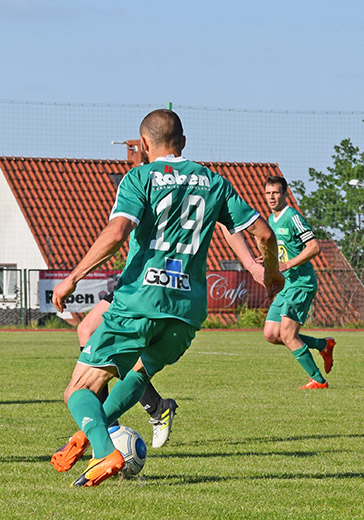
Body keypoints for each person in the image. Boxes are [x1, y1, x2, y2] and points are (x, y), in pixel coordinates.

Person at [51, 109, 284, 486]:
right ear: (184, 143)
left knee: (77, 391)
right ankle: (90, 436)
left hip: (141, 299)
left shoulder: (139, 178)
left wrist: (72, 278)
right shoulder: (214, 181)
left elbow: (116, 234)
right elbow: (265, 235)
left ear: (143, 144)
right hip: (187, 310)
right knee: (139, 372)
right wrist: (270, 272)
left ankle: (101, 449)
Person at [53, 224, 268, 466]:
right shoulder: (207, 187)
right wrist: (250, 262)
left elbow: (116, 232)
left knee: (88, 379)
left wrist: (73, 277)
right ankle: (122, 421)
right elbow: (244, 225)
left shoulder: (145, 185)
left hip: (149, 281)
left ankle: (105, 432)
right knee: (89, 331)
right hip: (164, 285)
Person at [262, 176, 335, 389]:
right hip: (287, 285)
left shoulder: (293, 217)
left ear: (285, 194)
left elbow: (314, 247)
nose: (272, 197)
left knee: (287, 334)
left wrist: (287, 265)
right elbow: (280, 249)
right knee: (271, 334)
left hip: (301, 284)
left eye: (276, 192)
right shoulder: (271, 219)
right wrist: (268, 260)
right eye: (268, 193)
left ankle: (319, 381)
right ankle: (323, 344)